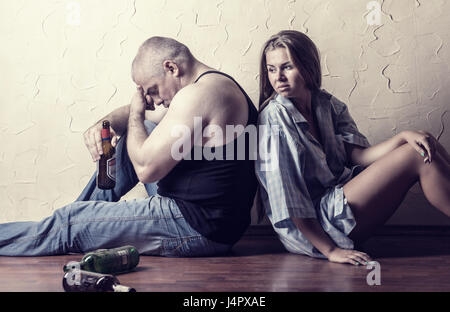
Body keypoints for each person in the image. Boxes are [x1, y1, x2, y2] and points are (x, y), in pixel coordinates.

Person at [0, 36, 258, 257]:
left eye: (153, 90)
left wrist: (135, 115)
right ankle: (82, 218)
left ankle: (70, 225)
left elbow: (146, 170)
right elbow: (138, 118)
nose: (154, 101)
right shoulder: (207, 86)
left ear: (171, 68)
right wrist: (107, 123)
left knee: (66, 223)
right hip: (202, 215)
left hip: (196, 225)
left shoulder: (200, 95)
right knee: (142, 131)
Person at [255, 30, 450, 265]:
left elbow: (359, 156)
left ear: (308, 67)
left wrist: (403, 136)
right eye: (271, 69)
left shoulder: (326, 104)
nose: (278, 78)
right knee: (416, 155)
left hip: (341, 205)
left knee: (423, 140)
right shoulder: (274, 119)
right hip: (316, 229)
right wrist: (330, 251)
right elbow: (288, 199)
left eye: (287, 67)